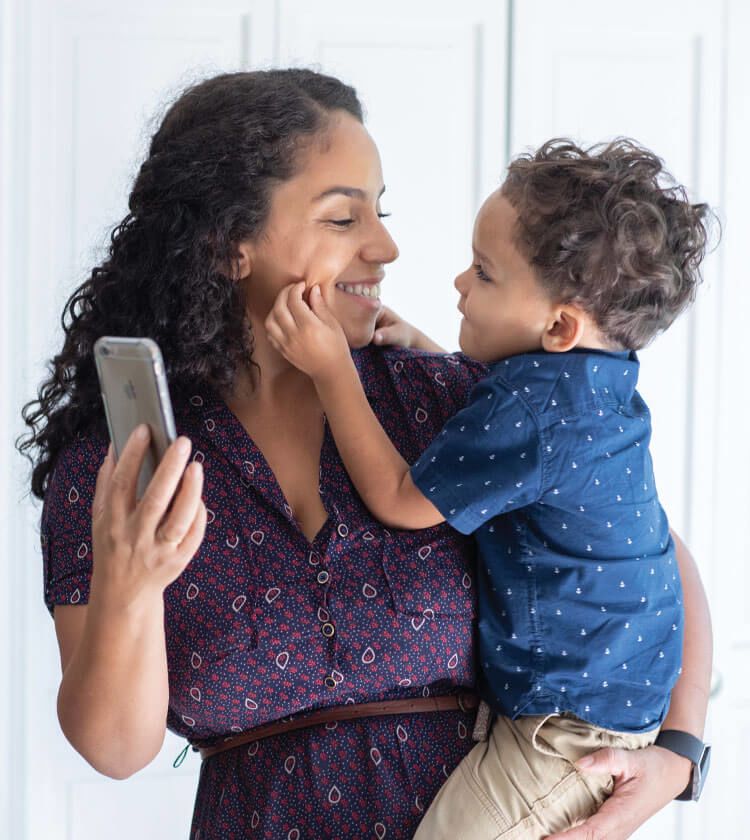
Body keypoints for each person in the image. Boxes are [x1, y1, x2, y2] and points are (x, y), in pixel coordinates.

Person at [17, 70, 711, 840]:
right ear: (228, 245)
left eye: (379, 212)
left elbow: (651, 558)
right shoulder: (116, 469)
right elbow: (115, 749)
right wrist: (129, 583)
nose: (386, 246)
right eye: (344, 218)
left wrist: (676, 758)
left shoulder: (447, 401)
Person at [264, 137, 714, 838]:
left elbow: (401, 500)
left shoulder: (532, 416)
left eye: (484, 273)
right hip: (602, 714)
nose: (458, 285)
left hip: (564, 742)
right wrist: (427, 352)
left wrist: (333, 373)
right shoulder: (600, 383)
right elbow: (516, 429)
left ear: (560, 326)